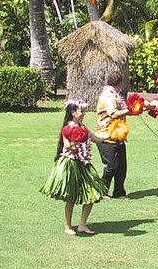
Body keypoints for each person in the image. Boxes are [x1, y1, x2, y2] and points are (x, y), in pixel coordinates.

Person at [40, 99, 107, 235]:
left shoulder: (83, 127)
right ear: (73, 113)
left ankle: (82, 224)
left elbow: (96, 139)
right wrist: (73, 145)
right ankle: (68, 226)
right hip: (71, 164)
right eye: (81, 111)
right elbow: (66, 145)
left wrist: (110, 135)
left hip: (84, 164)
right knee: (71, 196)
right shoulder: (68, 128)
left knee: (92, 194)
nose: (84, 114)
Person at [95, 71, 131, 200]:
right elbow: (114, 114)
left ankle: (119, 192)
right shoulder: (108, 96)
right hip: (105, 135)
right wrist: (130, 110)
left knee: (122, 166)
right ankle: (101, 190)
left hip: (118, 135)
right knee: (113, 165)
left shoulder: (115, 94)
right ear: (120, 83)